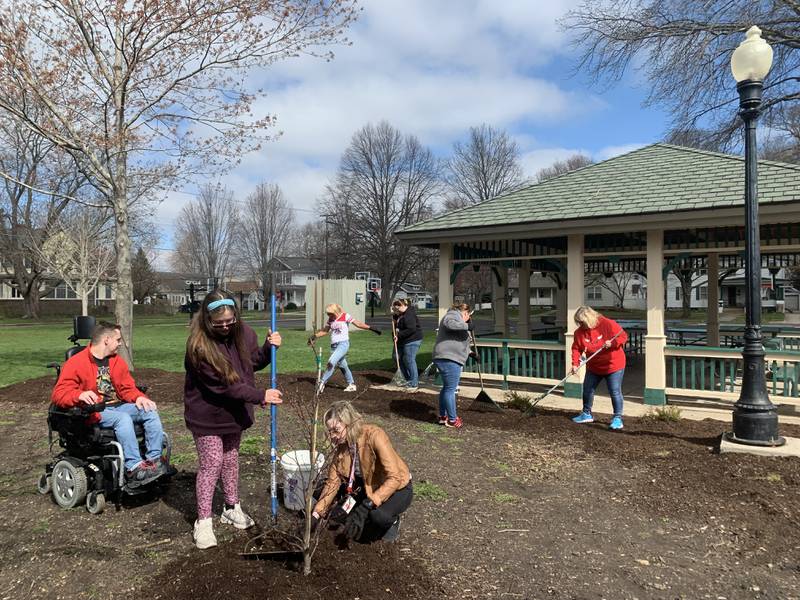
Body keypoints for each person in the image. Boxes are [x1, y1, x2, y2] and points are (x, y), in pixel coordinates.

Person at [183, 290, 284, 549]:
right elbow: (227, 386)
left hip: (233, 413)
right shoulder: (200, 347)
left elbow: (252, 363)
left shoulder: (242, 332)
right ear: (207, 320)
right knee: (212, 463)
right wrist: (261, 395)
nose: (226, 326)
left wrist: (268, 348)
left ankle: (231, 506)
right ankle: (203, 521)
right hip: (207, 414)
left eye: (230, 320)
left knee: (230, 460)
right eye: (220, 323)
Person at [51, 321, 166, 488]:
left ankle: (153, 462)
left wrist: (139, 397)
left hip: (118, 405)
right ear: (106, 340)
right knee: (123, 419)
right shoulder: (76, 363)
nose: (121, 343)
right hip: (95, 410)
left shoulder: (116, 361)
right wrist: (80, 394)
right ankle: (133, 468)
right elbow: (58, 394)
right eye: (118, 340)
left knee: (149, 410)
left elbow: (127, 388)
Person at [312, 401, 412, 543]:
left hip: (397, 487)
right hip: (367, 486)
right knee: (340, 517)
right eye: (330, 431)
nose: (332, 436)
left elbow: (395, 477)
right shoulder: (341, 448)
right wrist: (316, 515)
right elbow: (332, 484)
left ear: (349, 423)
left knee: (378, 517)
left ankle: (393, 521)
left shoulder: (374, 435)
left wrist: (368, 505)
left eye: (336, 430)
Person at [569, 306, 628, 431]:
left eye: (582, 322)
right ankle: (586, 414)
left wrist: (612, 343)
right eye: (578, 322)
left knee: (614, 391)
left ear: (589, 319)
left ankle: (617, 418)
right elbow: (576, 349)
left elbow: (623, 337)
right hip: (594, 366)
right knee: (587, 389)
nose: (580, 324)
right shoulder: (579, 333)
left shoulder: (607, 324)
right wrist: (574, 364)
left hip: (613, 365)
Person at [308, 303, 379, 394]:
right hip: (334, 346)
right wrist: (314, 336)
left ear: (335, 312)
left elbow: (358, 323)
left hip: (343, 344)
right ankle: (352, 385)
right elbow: (325, 331)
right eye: (328, 314)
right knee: (343, 365)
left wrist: (371, 328)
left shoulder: (345, 316)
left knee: (331, 362)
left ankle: (322, 382)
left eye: (330, 314)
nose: (329, 316)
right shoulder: (330, 319)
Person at [431, 303, 475, 429]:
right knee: (451, 389)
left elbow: (456, 342)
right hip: (449, 358)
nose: (468, 318)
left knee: (446, 388)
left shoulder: (456, 318)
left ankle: (443, 416)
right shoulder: (452, 315)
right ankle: (452, 419)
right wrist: (467, 325)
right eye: (468, 316)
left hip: (448, 357)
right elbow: (450, 324)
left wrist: (470, 353)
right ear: (465, 313)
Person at [391, 299, 423, 392]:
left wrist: (398, 335)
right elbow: (397, 326)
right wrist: (395, 319)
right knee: (396, 357)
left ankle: (413, 383)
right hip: (402, 340)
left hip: (412, 340)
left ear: (403, 305)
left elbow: (411, 329)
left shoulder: (409, 315)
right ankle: (407, 379)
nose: (396, 310)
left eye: (397, 308)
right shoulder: (400, 314)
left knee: (409, 359)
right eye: (395, 308)